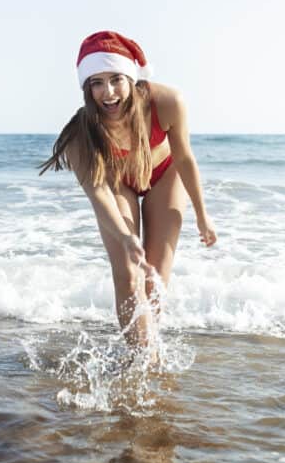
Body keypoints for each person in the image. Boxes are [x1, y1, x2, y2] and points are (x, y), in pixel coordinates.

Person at [39, 31, 217, 353]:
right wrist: (124, 236)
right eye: (96, 82)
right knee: (126, 272)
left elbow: (185, 158)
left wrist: (203, 217)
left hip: (164, 176)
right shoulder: (81, 137)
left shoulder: (167, 102)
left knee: (155, 278)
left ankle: (148, 355)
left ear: (131, 78)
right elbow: (99, 194)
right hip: (118, 182)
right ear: (86, 88)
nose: (107, 93)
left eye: (115, 79)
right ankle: (139, 357)